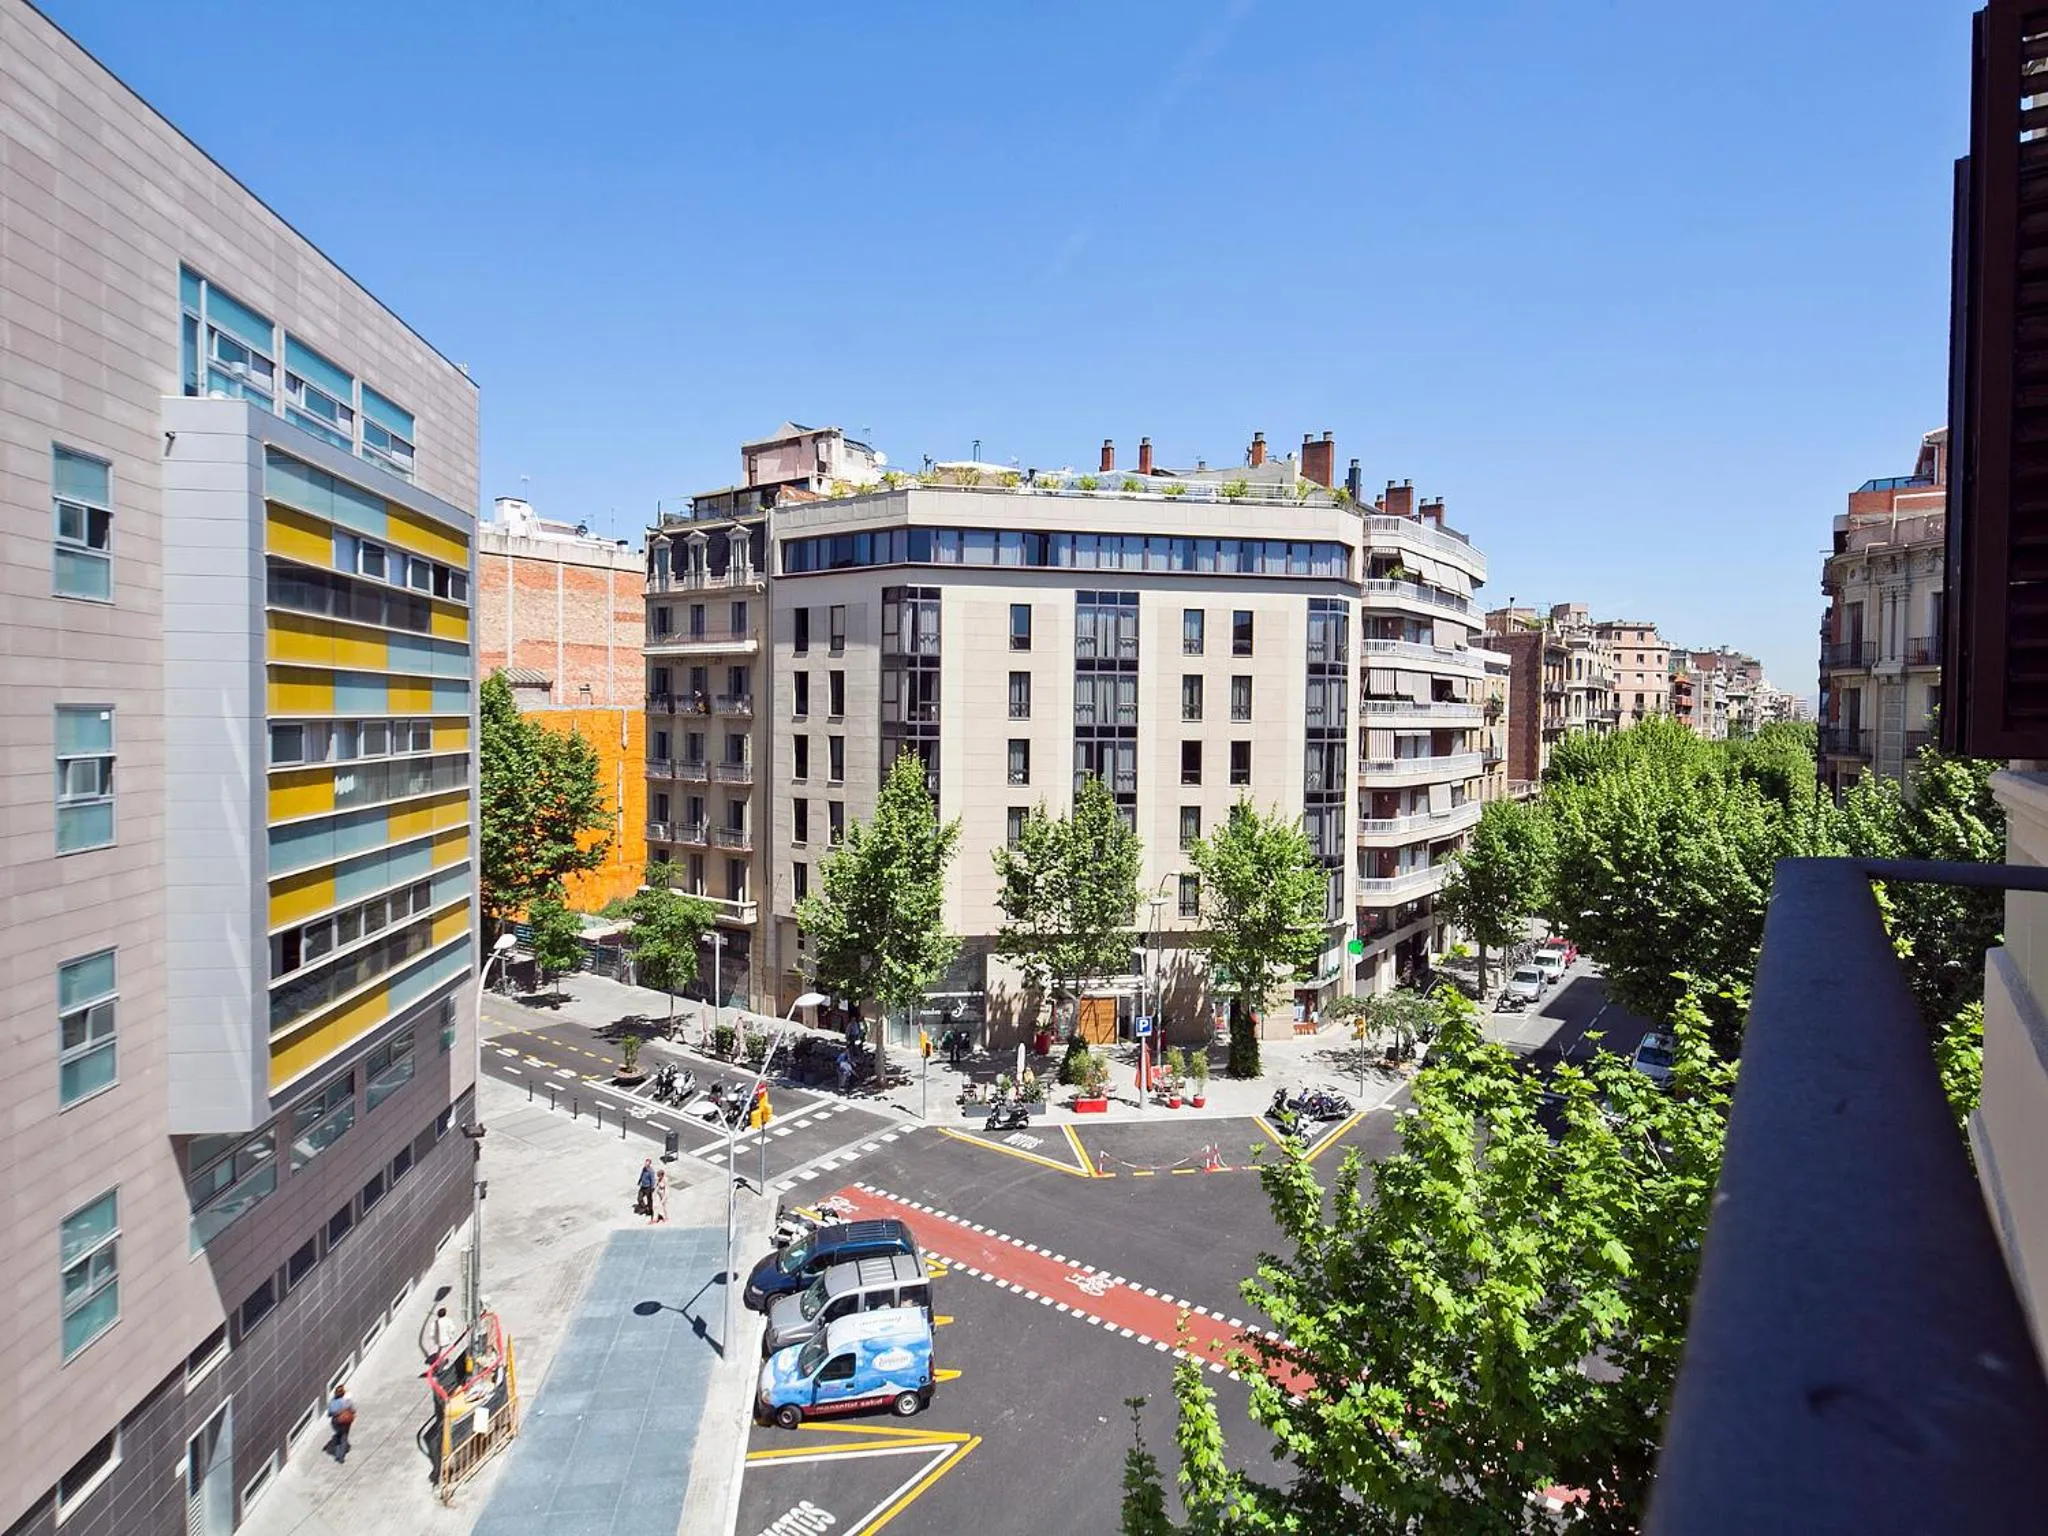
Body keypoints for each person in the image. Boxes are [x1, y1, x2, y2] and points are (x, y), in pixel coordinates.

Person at [326, 1384, 356, 1462]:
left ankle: (337, 1453)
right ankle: (341, 1456)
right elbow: (353, 1410)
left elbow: (329, 1414)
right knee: (344, 1437)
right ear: (343, 1393)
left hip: (335, 1422)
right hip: (344, 1422)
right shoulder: (346, 1401)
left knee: (338, 1435)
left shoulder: (332, 1402)